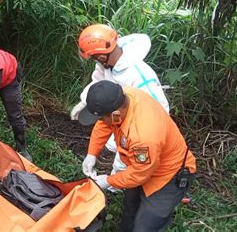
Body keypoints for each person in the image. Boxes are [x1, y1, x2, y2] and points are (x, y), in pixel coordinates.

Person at [83, 80, 196, 231]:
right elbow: (105, 123)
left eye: (101, 117)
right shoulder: (123, 97)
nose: (100, 121)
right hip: (141, 166)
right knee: (131, 209)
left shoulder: (143, 134)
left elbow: (139, 174)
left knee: (146, 226)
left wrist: (108, 181)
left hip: (167, 176)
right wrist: (92, 154)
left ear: (115, 113)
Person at [71, 24, 169, 186]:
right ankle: (117, 183)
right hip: (120, 118)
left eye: (95, 58)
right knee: (121, 153)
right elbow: (99, 83)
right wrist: (85, 102)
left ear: (101, 56)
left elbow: (159, 112)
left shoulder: (138, 76)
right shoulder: (107, 63)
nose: (96, 62)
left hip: (143, 126)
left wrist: (127, 137)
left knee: (131, 159)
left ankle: (119, 184)